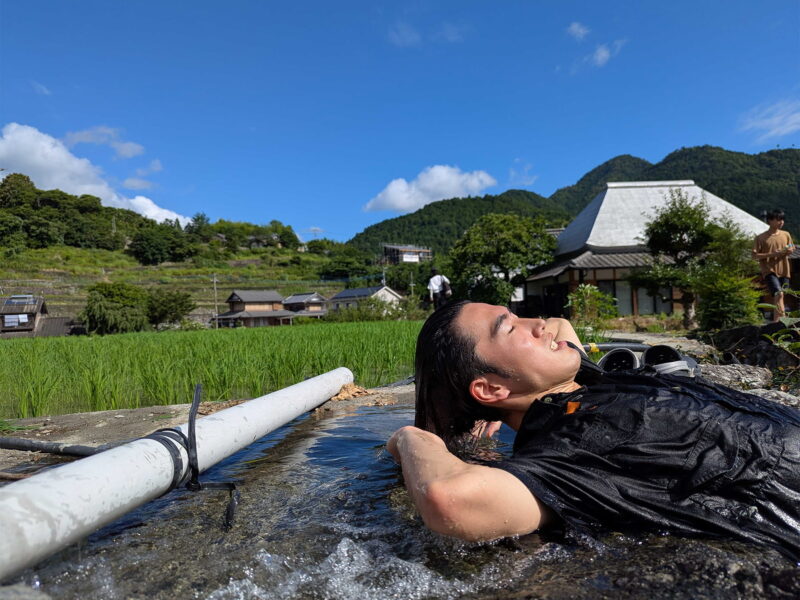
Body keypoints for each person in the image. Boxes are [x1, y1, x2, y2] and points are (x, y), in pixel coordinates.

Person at [387, 301, 800, 559]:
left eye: (518, 314)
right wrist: (414, 436)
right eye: (509, 328)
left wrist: (491, 406)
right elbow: (449, 499)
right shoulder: (568, 449)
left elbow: (562, 325)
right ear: (491, 387)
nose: (540, 324)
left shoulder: (581, 381)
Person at [753, 209, 795, 321]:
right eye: (779, 220)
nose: (781, 222)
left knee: (782, 294)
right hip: (769, 270)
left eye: (782, 220)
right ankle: (779, 321)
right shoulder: (760, 238)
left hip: (784, 270)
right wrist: (772, 254)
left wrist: (790, 249)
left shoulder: (786, 234)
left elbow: (791, 246)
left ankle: (779, 321)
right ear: (770, 220)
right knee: (779, 293)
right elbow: (755, 255)